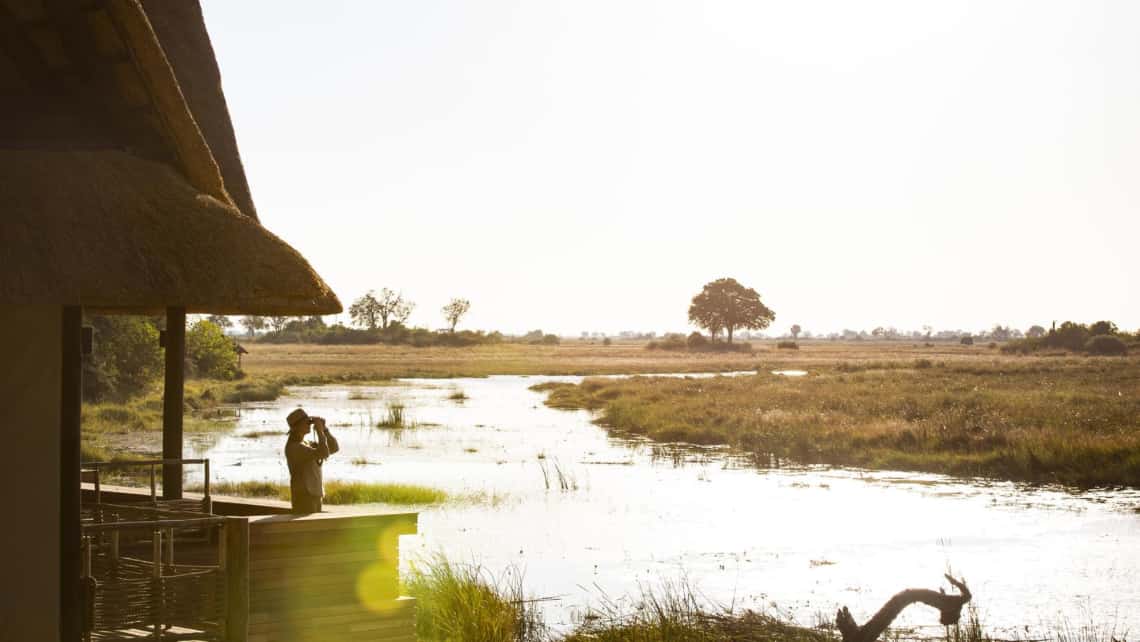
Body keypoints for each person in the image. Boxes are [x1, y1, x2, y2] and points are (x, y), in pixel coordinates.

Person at [285, 408, 339, 514]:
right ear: (297, 427)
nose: (310, 424)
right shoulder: (294, 447)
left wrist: (325, 430)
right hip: (304, 498)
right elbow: (324, 452)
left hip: (314, 494)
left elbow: (334, 448)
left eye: (310, 422)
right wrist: (319, 431)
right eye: (307, 422)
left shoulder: (306, 443)